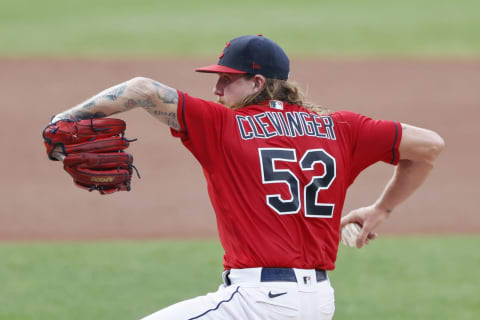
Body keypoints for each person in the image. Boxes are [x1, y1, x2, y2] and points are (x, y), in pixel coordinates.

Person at [51, 35, 445, 320]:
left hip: (257, 303)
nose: (216, 88)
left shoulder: (223, 126)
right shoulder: (342, 129)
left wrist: (64, 119)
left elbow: (140, 89)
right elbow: (429, 145)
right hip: (318, 303)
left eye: (227, 79)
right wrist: (382, 210)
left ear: (258, 83)